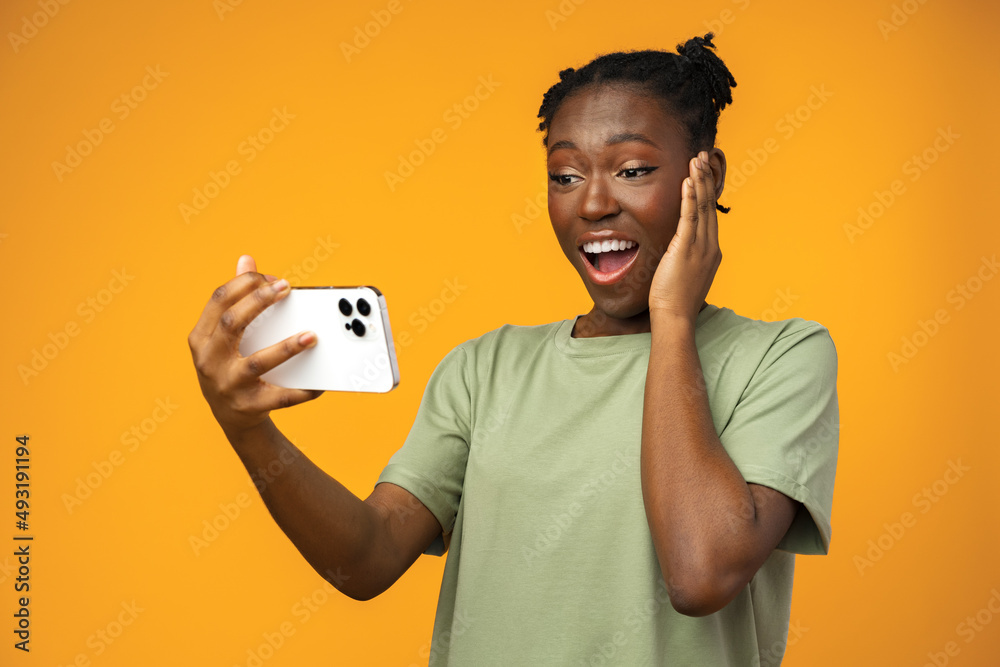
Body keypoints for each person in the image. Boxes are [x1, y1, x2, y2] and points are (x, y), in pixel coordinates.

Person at [188, 33, 838, 666]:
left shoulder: (780, 358)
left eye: (633, 169)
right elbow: (367, 558)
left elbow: (699, 573)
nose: (593, 202)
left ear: (707, 175)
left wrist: (672, 316)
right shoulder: (483, 369)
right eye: (564, 174)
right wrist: (247, 427)